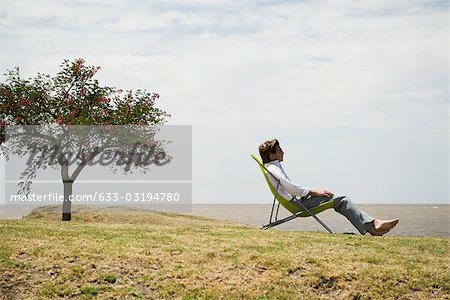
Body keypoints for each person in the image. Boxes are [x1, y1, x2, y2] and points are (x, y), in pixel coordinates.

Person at [258, 139, 399, 236]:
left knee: (336, 200)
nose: (283, 152)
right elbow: (292, 189)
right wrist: (314, 192)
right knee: (341, 199)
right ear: (272, 155)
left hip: (297, 202)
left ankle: (373, 225)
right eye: (280, 150)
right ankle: (373, 227)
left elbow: (291, 189)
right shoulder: (274, 168)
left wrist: (312, 193)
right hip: (299, 205)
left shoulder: (272, 167)